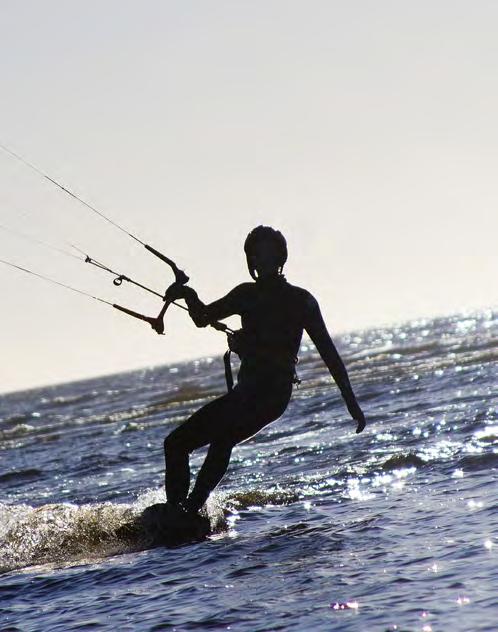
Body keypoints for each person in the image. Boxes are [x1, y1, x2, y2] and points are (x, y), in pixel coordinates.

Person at [163, 225, 366, 516]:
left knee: (213, 439)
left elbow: (329, 354)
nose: (264, 258)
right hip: (247, 392)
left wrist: (351, 402)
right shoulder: (245, 295)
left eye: (270, 252)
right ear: (252, 260)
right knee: (183, 443)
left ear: (281, 256)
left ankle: (187, 512)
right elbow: (202, 317)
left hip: (271, 394)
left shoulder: (301, 300)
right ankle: (179, 513)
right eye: (258, 253)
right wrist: (187, 293)